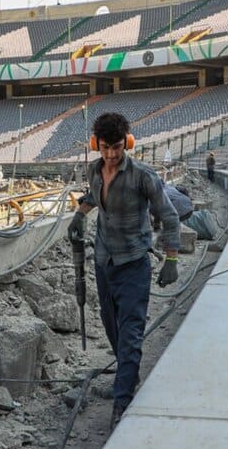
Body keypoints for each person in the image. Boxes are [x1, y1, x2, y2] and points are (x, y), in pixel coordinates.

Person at [68, 113, 180, 431]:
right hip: (104, 262)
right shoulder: (94, 170)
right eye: (105, 147)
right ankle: (127, 376)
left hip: (133, 264)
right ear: (96, 145)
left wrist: (171, 259)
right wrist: (80, 214)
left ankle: (122, 401)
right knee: (112, 327)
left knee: (130, 332)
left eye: (117, 147)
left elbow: (169, 216)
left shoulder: (143, 176)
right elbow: (93, 196)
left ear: (128, 142)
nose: (111, 154)